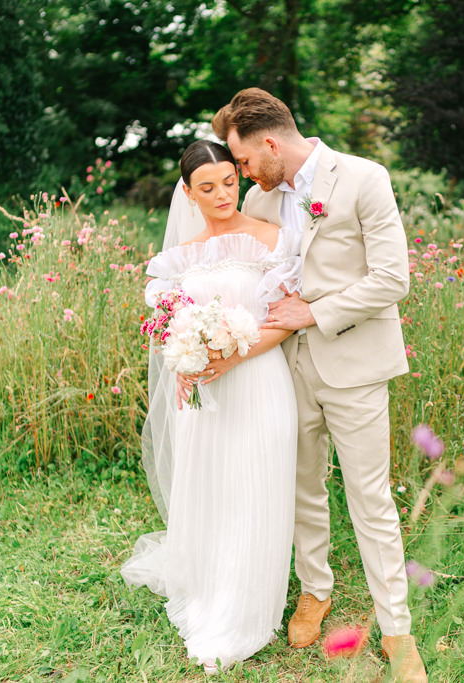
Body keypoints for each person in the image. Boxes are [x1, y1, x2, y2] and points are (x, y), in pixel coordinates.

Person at [212, 88, 428, 683]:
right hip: (284, 369)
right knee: (303, 483)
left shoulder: (363, 179)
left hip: (355, 365)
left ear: (272, 143)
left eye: (247, 161)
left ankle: (396, 630)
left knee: (371, 498)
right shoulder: (259, 199)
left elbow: (393, 279)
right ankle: (316, 590)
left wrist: (313, 312)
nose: (243, 174)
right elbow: (231, 265)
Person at [120, 140, 301, 675]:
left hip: (261, 383)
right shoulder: (177, 261)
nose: (222, 194)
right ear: (187, 192)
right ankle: (210, 589)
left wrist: (232, 355)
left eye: (229, 181)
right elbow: (170, 326)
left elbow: (287, 317)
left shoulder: (274, 241)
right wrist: (186, 361)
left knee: (255, 487)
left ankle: (246, 608)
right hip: (204, 395)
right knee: (215, 488)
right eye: (207, 187)